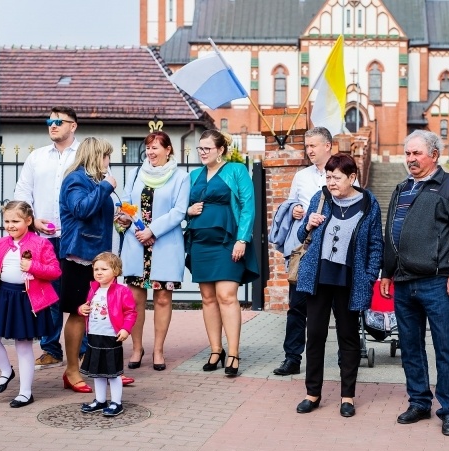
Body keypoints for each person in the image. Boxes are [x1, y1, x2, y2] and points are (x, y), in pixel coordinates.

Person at [380, 130, 449, 437]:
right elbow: (391, 233)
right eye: (407, 154)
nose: (411, 159)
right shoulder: (400, 188)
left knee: (445, 346)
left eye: (417, 153)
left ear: (434, 155)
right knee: (410, 346)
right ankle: (419, 402)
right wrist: (386, 272)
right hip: (404, 282)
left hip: (438, 282)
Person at [293, 153, 383, 417]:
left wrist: (369, 276)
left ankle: (347, 396)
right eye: (328, 176)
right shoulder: (319, 199)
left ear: (352, 177)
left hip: (350, 280)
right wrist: (307, 224)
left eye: (336, 177)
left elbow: (376, 244)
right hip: (318, 278)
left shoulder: (368, 203)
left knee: (348, 337)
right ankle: (312, 394)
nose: (331, 182)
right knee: (316, 336)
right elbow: (301, 235)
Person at [0, 201, 61, 408]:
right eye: (7, 221)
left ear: (29, 221)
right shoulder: (2, 243)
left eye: (16, 221)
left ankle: (25, 392)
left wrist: (33, 266)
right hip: (3, 295)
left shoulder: (41, 244)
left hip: (26, 298)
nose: (10, 225)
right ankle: (6, 371)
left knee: (23, 345)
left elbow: (55, 271)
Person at [187, 130, 259, 377]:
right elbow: (180, 206)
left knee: (226, 295)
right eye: (200, 148)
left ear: (220, 150)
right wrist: (189, 209)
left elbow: (248, 206)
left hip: (229, 240)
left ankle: (234, 353)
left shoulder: (237, 170)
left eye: (207, 148)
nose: (203, 153)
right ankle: (215, 350)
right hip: (200, 242)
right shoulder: (193, 175)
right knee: (207, 298)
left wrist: (242, 239)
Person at [13, 106, 80, 370]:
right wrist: (34, 219)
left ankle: (83, 349)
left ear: (72, 126)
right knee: (48, 295)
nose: (52, 125)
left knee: (78, 293)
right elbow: (22, 193)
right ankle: (51, 348)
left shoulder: (84, 156)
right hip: (43, 238)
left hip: (74, 237)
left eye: (58, 122)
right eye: (49, 121)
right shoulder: (37, 158)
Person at [118, 131, 190, 372]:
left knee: (161, 299)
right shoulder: (135, 173)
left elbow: (179, 212)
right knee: (135, 300)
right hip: (136, 243)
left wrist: (152, 231)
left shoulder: (181, 177)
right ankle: (137, 348)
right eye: (148, 148)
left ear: (168, 150)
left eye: (156, 148)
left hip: (165, 244)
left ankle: (158, 350)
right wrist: (138, 228)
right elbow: (126, 203)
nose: (150, 152)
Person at [272, 127, 333, 377]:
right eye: (307, 146)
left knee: (335, 308)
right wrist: (296, 208)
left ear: (328, 146)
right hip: (304, 250)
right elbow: (291, 202)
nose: (309, 151)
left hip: (332, 251)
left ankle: (342, 358)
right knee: (297, 306)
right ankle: (292, 358)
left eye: (313, 146)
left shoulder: (344, 172)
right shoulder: (301, 176)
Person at [59, 137, 117, 394]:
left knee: (97, 312)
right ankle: (71, 371)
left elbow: (95, 214)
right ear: (96, 156)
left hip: (97, 256)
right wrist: (105, 186)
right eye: (106, 156)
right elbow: (81, 209)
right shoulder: (75, 179)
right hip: (79, 256)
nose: (109, 162)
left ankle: (99, 369)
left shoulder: (92, 181)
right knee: (78, 312)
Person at [78, 253, 138, 417]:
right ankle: (100, 400)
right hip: (94, 335)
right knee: (97, 371)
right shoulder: (93, 289)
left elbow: (131, 312)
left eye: (104, 269)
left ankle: (116, 403)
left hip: (112, 336)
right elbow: (87, 307)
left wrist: (126, 329)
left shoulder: (122, 291)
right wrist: (81, 309)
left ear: (116, 271)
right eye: (96, 269)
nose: (99, 272)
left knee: (113, 372)